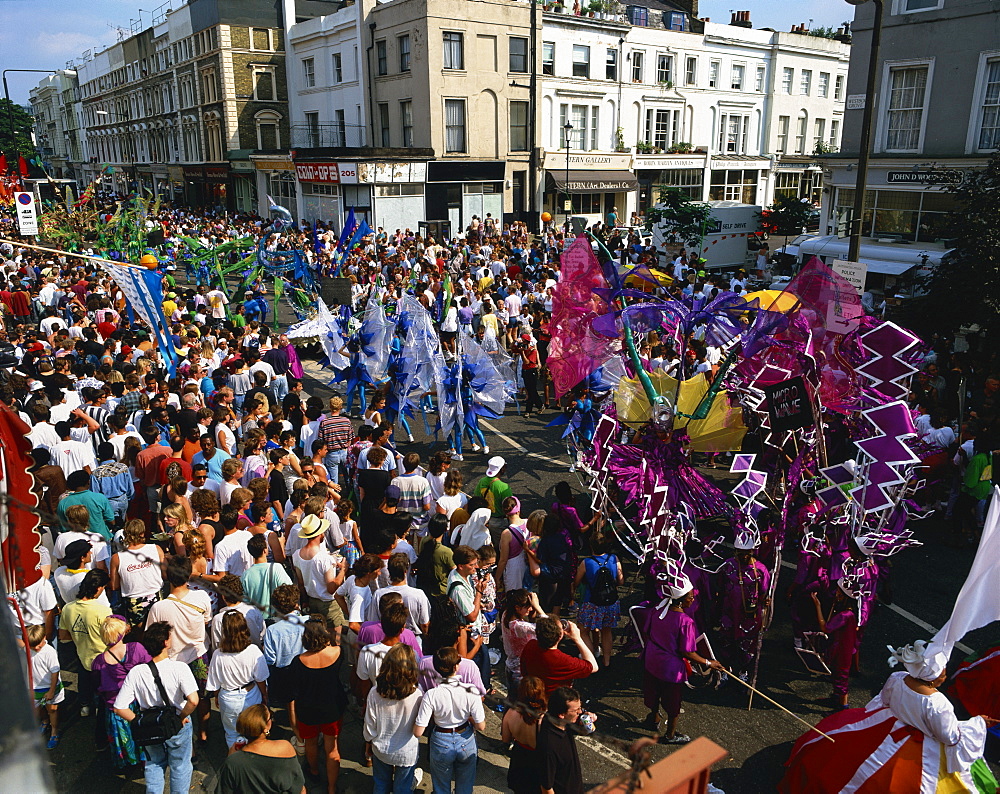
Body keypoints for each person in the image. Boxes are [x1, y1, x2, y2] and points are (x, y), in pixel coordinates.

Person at [779, 641, 998, 793]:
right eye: (942, 672)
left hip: (883, 725)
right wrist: (978, 723)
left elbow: (883, 701)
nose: (945, 676)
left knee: (840, 760)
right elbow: (950, 737)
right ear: (932, 678)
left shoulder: (898, 677)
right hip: (917, 747)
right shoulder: (938, 703)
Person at [113, 621, 200, 794]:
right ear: (166, 643)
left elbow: (119, 707)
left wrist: (139, 722)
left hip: (150, 726)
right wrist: (180, 717)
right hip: (177, 724)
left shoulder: (137, 672)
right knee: (180, 766)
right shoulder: (179, 668)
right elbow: (193, 700)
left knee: (153, 764)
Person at [639, 575, 723, 743]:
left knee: (653, 692)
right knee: (673, 703)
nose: (693, 599)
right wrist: (708, 663)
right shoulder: (685, 622)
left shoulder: (657, 610)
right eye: (691, 597)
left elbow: (647, 631)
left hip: (651, 659)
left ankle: (653, 718)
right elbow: (688, 652)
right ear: (681, 601)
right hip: (670, 669)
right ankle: (670, 735)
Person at [144, 555, 213, 742]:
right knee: (203, 697)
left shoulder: (158, 608)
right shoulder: (201, 597)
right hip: (199, 656)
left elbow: (150, 634)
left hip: (173, 661)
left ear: (167, 576)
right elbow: (207, 621)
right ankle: (204, 732)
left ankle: (184, 736)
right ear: (189, 574)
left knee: (179, 701)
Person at [413, 646, 487, 794]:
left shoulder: (431, 695)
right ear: (456, 667)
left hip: (440, 740)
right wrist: (468, 717)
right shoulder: (471, 691)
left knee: (441, 787)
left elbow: (418, 732)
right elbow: (481, 726)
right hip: (466, 738)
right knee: (465, 787)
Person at [288, 615, 348, 794]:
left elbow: (293, 694)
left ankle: (314, 770)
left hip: (307, 710)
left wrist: (293, 719)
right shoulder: (338, 653)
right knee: (332, 748)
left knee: (311, 743)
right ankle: (331, 787)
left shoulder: (298, 662)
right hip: (332, 709)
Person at [91, 615, 152, 768]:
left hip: (115, 708)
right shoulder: (136, 648)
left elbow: (97, 686)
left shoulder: (99, 661)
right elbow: (151, 669)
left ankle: (128, 761)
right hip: (138, 702)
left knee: (123, 738)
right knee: (142, 733)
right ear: (122, 633)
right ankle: (146, 759)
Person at [363, 643, 424, 794]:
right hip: (406, 752)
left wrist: (368, 741)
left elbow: (370, 724)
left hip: (381, 749)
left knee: (380, 785)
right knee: (402, 788)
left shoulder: (374, 693)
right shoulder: (417, 694)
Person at [206, 611, 269, 749]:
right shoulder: (253, 651)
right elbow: (261, 679)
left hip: (228, 697)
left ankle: (234, 760)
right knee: (254, 732)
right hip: (251, 694)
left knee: (231, 734)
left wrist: (217, 697)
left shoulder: (218, 654)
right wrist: (264, 695)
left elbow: (214, 683)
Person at [715, 533, 771, 682]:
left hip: (749, 615)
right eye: (741, 553)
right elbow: (720, 587)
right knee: (726, 642)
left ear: (752, 551)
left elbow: (764, 592)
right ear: (735, 552)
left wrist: (765, 602)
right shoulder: (728, 566)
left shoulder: (760, 570)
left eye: (747, 553)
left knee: (747, 645)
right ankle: (725, 671)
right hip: (729, 612)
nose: (744, 556)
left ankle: (743, 672)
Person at [59, 568, 113, 719]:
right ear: (98, 588)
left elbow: (63, 636)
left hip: (82, 655)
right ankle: (100, 712)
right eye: (103, 588)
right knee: (101, 689)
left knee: (84, 680)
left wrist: (79, 635)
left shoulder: (67, 608)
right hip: (103, 659)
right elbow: (111, 638)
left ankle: (85, 707)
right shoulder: (103, 611)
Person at [217, 704, 305, 794]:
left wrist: (231, 757)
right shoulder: (285, 748)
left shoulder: (233, 762)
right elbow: (298, 786)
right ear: (266, 726)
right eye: (270, 717)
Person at [291, 513, 347, 635]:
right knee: (335, 639)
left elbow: (301, 583)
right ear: (320, 534)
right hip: (328, 604)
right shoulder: (323, 558)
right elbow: (331, 588)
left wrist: (305, 601)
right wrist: (343, 569)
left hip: (312, 600)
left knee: (319, 637)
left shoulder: (296, 555)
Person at [573, 533, 623, 668]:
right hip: (610, 601)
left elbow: (576, 581)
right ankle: (607, 661)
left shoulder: (586, 563)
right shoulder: (614, 559)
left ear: (591, 546)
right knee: (606, 631)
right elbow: (621, 580)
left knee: (583, 630)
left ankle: (591, 657)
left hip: (592, 602)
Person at [521, 616, 597, 696]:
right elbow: (593, 667)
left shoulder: (530, 645)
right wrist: (577, 639)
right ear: (560, 636)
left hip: (534, 693)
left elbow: (524, 670)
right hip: (556, 698)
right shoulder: (563, 660)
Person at [110, 519, 165, 629]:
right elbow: (165, 574)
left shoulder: (117, 558)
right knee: (159, 629)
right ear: (142, 533)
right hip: (156, 595)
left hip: (133, 600)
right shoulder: (156, 548)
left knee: (140, 632)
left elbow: (114, 586)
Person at [538, 687, 590, 794]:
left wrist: (587, 724)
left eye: (580, 707)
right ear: (561, 714)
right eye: (576, 710)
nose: (580, 712)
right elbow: (546, 787)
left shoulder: (561, 723)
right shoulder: (550, 746)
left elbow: (583, 732)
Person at [501, 676, 547, 794]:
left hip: (519, 757)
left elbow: (505, 739)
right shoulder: (544, 718)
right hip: (537, 760)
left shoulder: (510, 713)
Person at [24, 623, 65, 750]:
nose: (36, 648)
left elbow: (54, 672)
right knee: (39, 709)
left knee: (52, 709)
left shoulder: (49, 652)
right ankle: (45, 721)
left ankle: (54, 731)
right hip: (34, 687)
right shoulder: (27, 649)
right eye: (32, 646)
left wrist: (52, 690)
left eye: (38, 645)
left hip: (49, 687)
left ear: (44, 638)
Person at [502, 589, 546, 694]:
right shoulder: (519, 626)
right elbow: (550, 628)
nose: (531, 609)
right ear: (517, 608)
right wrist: (538, 608)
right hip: (519, 672)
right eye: (528, 607)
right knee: (520, 704)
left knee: (512, 700)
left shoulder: (506, 614)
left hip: (511, 666)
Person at [241, 533, 293, 619]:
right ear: (265, 551)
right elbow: (290, 590)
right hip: (277, 619)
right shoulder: (276, 568)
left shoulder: (245, 575)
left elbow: (245, 602)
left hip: (258, 621)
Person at [416, 513, 454, 596]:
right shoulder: (446, 552)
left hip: (425, 586)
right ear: (445, 530)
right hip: (440, 591)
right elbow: (454, 571)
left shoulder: (424, 541)